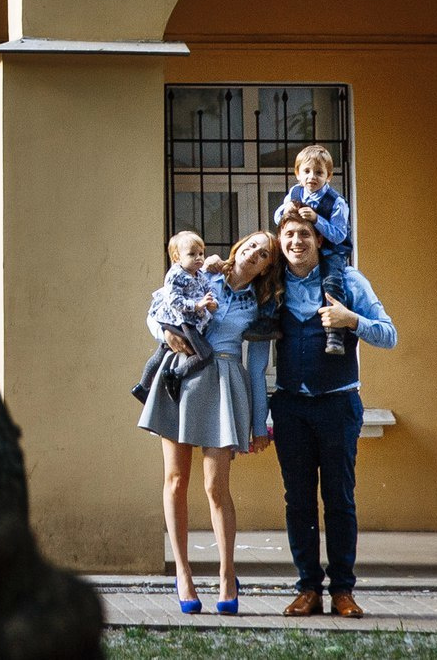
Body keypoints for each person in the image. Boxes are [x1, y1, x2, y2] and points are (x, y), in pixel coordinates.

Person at [138, 228, 281, 615]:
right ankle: (183, 573)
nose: (254, 253)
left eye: (263, 254)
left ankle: (227, 573)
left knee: (216, 486)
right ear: (240, 246)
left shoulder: (260, 304)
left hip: (225, 383)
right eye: (251, 245)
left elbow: (257, 368)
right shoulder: (204, 274)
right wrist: (164, 333)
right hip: (182, 375)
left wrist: (259, 424)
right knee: (175, 480)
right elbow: (156, 310)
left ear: (267, 267)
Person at [271, 211, 397, 618]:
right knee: (298, 501)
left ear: (320, 240)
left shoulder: (348, 280)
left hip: (337, 405)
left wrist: (351, 320)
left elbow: (389, 334)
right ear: (280, 241)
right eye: (289, 234)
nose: (296, 241)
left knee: (339, 499)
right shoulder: (272, 283)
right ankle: (308, 588)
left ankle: (343, 590)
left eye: (304, 234)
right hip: (290, 406)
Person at [273, 144, 355, 355]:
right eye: (307, 171)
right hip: (306, 250)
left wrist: (317, 220)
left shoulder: (336, 202)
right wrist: (286, 210)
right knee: (273, 271)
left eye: (319, 173)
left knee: (332, 282)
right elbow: (277, 218)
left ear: (328, 176)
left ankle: (334, 333)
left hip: (332, 250)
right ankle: (269, 319)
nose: (312, 177)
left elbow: (339, 235)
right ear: (298, 174)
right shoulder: (295, 192)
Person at [132, 229, 224, 403]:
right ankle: (175, 375)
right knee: (205, 355)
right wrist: (196, 305)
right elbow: (174, 300)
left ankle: (142, 387)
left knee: (163, 350)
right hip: (180, 321)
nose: (198, 258)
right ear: (177, 257)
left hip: (191, 321)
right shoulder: (176, 275)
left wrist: (213, 304)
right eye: (192, 254)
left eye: (201, 253)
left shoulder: (199, 275)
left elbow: (209, 291)